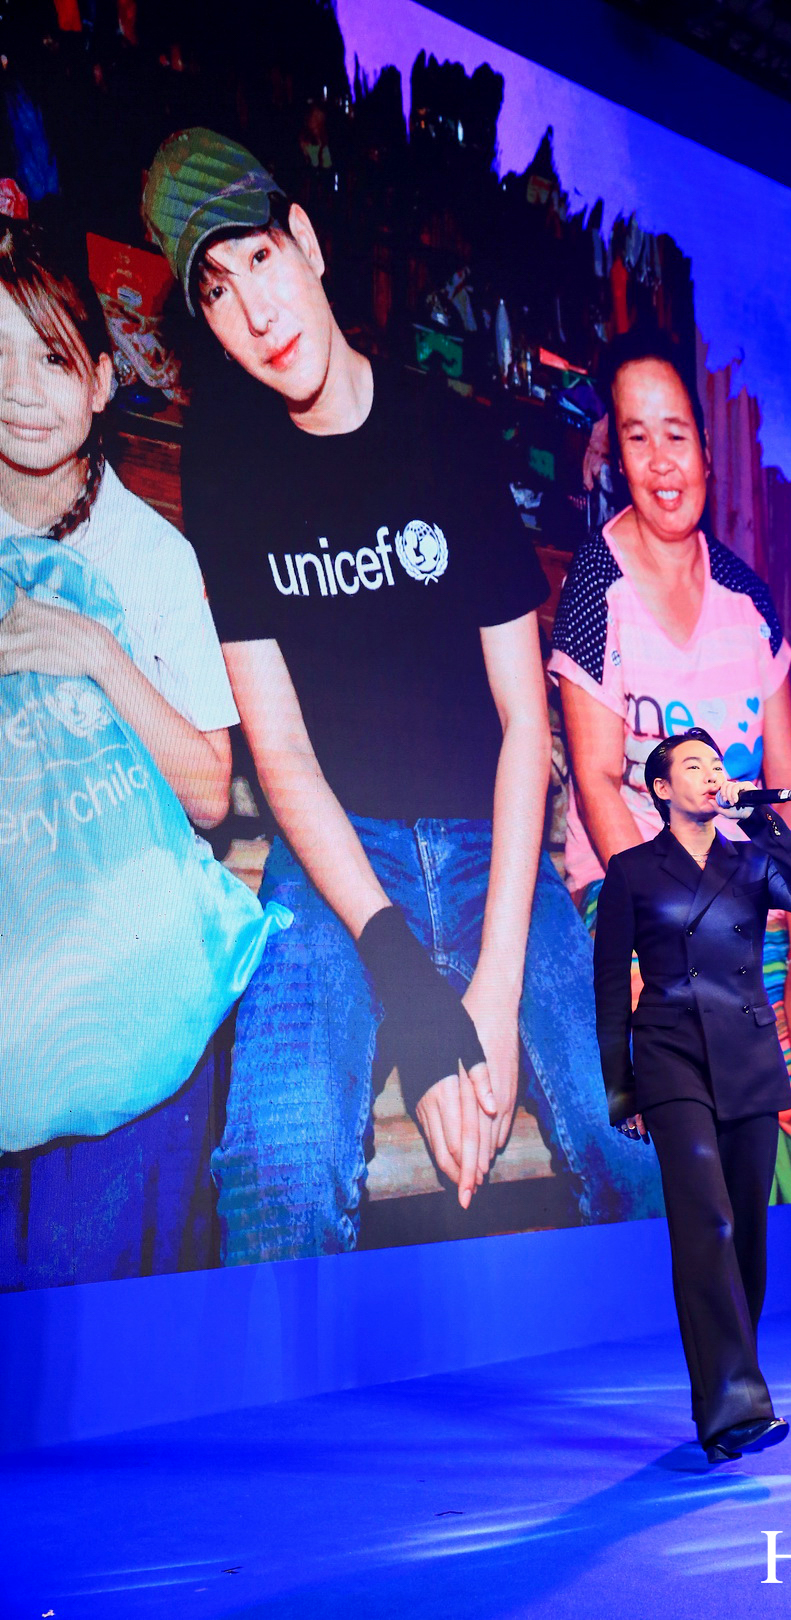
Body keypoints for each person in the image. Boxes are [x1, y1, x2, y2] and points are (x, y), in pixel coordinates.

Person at [140, 128, 661, 1265]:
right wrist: (421, 1011)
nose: (255, 313)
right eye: (216, 294)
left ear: (309, 244)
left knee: (634, 1139)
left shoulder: (448, 435)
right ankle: (296, 1440)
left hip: (495, 843)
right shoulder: (225, 469)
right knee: (274, 1162)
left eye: (260, 261)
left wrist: (496, 987)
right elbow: (280, 754)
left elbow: (529, 723)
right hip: (336, 865)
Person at [552, 327, 791, 1202]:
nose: (662, 461)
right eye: (636, 436)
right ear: (615, 455)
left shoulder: (749, 598)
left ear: (705, 446)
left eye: (677, 434)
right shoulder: (596, 588)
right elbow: (595, 780)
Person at [0, 200, 240, 1287]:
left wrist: (98, 652)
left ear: (101, 379)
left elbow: (209, 793)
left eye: (49, 358)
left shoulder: (151, 557)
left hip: (129, 993)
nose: (19, 389)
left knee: (94, 1337)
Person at [593, 728, 791, 1460]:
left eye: (718, 766)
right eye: (692, 766)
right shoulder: (632, 870)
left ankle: (734, 1389)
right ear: (661, 789)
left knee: (748, 1239)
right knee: (708, 1225)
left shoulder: (752, 858)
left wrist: (760, 816)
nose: (710, 775)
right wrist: (620, 1089)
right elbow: (607, 986)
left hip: (749, 1055)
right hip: (669, 1055)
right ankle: (733, 1408)